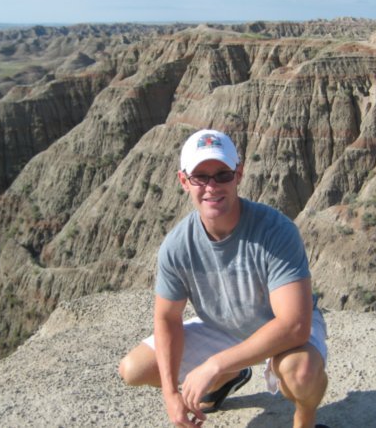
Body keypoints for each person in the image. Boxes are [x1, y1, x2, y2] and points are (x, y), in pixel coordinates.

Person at [118, 129, 328, 428]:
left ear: (238, 174)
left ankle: (305, 420)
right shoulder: (177, 246)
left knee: (301, 372)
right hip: (226, 327)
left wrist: (214, 363)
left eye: (222, 175)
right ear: (184, 181)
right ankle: (228, 379)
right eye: (200, 177)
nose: (211, 186)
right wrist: (170, 393)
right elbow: (167, 319)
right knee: (134, 369)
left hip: (279, 331)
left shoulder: (275, 231)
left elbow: (294, 325)